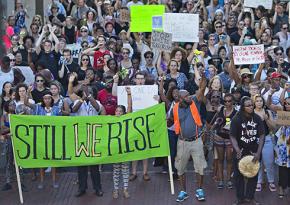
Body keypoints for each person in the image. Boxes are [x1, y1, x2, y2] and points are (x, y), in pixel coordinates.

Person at [170, 73, 207, 202]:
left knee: (200, 166)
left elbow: (201, 89)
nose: (188, 97)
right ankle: (183, 191)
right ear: (180, 99)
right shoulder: (174, 108)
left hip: (196, 140)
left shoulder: (194, 102)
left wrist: (203, 78)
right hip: (182, 142)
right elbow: (170, 122)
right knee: (180, 168)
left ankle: (199, 189)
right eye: (185, 96)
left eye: (188, 95)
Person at [230, 96, 265, 205]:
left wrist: (259, 153)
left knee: (253, 175)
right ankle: (240, 198)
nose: (251, 107)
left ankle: (250, 197)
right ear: (242, 107)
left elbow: (262, 135)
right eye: (248, 105)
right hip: (240, 151)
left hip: (254, 151)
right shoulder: (236, 119)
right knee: (238, 176)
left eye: (251, 105)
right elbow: (232, 136)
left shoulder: (257, 118)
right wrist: (237, 150)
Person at [72, 85, 106, 197]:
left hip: (93, 136)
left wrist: (90, 97)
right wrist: (82, 99)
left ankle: (98, 188)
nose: (87, 93)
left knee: (94, 165)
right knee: (81, 164)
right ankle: (82, 188)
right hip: (81, 136)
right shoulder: (78, 101)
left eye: (90, 91)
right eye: (85, 91)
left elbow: (98, 109)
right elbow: (74, 110)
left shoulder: (96, 101)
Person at [253, 95, 276, 192]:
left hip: (267, 139)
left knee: (269, 162)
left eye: (261, 101)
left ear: (263, 102)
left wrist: (266, 119)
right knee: (257, 162)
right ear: (254, 103)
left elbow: (273, 127)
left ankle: (271, 181)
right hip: (255, 140)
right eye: (257, 101)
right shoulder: (251, 112)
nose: (259, 102)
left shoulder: (268, 112)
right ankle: (258, 181)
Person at [213, 93, 237, 189]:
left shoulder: (236, 113)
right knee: (220, 159)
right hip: (219, 137)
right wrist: (212, 130)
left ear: (233, 102)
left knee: (229, 159)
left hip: (230, 139)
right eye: (225, 101)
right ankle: (221, 181)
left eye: (229, 101)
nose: (227, 103)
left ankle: (229, 180)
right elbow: (216, 122)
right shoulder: (221, 110)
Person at [112, 87, 132, 199]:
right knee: (116, 170)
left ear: (124, 113)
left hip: (125, 148)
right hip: (115, 149)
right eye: (117, 111)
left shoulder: (126, 120)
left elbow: (129, 108)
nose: (118, 113)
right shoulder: (110, 121)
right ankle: (115, 190)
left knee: (125, 169)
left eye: (120, 111)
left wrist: (129, 95)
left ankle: (125, 189)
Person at [275, 96, 290, 198]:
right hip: (283, 144)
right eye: (286, 104)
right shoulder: (282, 114)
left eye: (289, 104)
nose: (287, 105)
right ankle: (281, 186)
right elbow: (277, 127)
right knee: (282, 166)